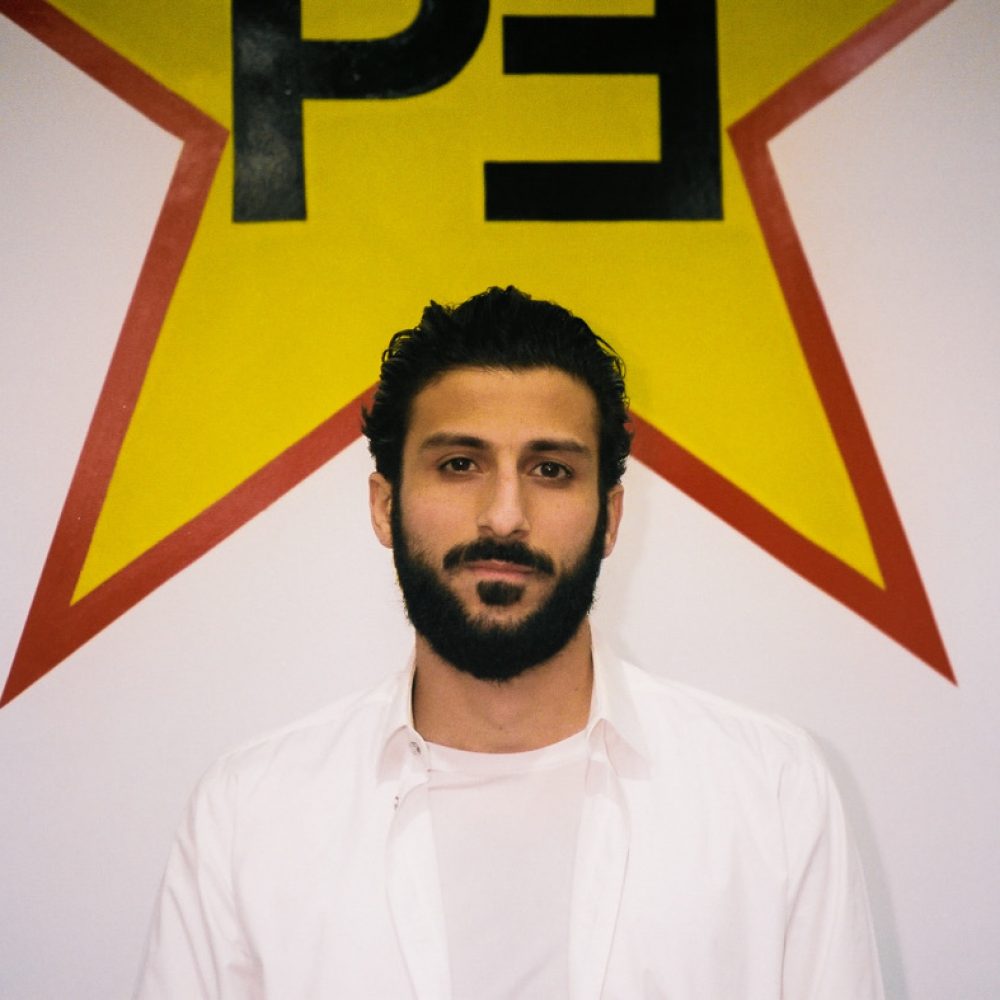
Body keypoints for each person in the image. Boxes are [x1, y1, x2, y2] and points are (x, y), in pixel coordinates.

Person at [134, 286, 884, 998]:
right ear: (385, 505)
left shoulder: (770, 793)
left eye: (550, 470)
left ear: (612, 516)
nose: (503, 515)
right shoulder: (251, 813)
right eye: (459, 465)